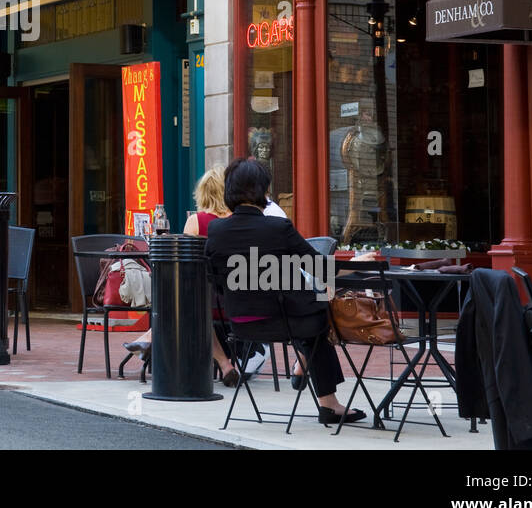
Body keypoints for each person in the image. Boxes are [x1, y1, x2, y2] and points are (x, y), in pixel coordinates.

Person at [204, 157, 365, 426]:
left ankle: (308, 374)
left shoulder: (216, 230)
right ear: (262, 191)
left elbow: (216, 279)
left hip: (240, 326)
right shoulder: (277, 228)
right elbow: (321, 269)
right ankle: (329, 403)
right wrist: (356, 264)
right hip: (286, 323)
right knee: (320, 313)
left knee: (307, 312)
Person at [123, 168, 242, 384]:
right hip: (237, 298)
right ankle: (224, 366)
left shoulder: (197, 221)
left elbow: (187, 268)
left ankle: (149, 339)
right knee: (194, 301)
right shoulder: (238, 221)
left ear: (203, 193)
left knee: (184, 299)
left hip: (207, 300)